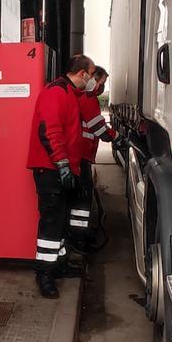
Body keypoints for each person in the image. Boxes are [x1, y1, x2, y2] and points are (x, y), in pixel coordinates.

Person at [26, 54, 96, 298]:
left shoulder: (71, 95)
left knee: (62, 219)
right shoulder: (55, 92)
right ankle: (44, 274)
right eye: (92, 73)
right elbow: (50, 131)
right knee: (52, 222)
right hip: (50, 170)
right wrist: (63, 165)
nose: (93, 80)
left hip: (61, 169)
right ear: (82, 73)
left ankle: (60, 264)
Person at [70, 67, 118, 245]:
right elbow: (99, 128)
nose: (101, 87)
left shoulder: (82, 97)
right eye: (101, 82)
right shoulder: (87, 99)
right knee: (83, 195)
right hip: (81, 154)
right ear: (93, 79)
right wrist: (116, 136)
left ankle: (79, 233)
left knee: (82, 194)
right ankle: (79, 237)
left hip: (82, 153)